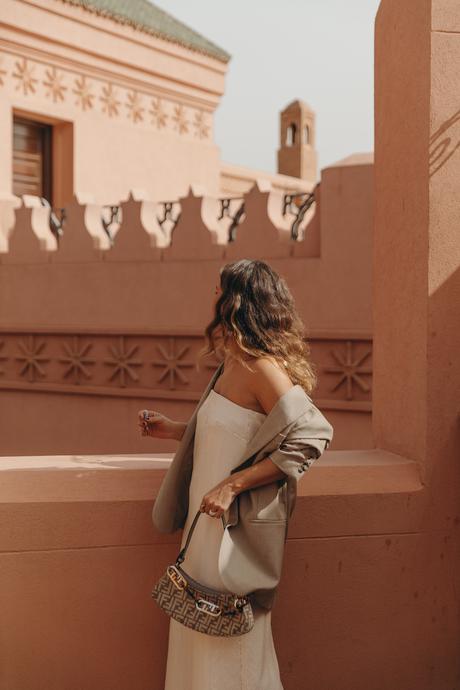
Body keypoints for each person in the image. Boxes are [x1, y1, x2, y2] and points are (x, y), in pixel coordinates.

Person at [138, 259, 334, 690]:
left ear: (238, 302)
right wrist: (174, 430)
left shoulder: (263, 369)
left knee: (233, 644)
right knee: (197, 629)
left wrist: (231, 486)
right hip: (200, 530)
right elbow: (231, 437)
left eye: (219, 290)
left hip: (232, 533)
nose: (213, 298)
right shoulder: (230, 363)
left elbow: (313, 435)